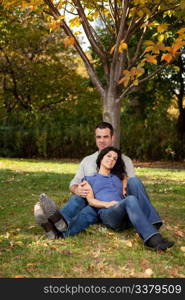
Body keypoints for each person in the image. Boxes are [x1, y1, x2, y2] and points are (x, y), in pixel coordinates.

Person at [34, 122, 163, 239]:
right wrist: (77, 189)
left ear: (112, 138)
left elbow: (130, 182)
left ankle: (53, 226)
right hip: (90, 203)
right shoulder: (87, 160)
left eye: (105, 137)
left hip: (114, 208)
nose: (102, 141)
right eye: (98, 137)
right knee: (78, 199)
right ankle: (58, 223)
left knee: (131, 183)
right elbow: (73, 184)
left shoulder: (124, 160)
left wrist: (123, 186)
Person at [35, 146, 174, 251]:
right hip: (109, 213)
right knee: (128, 200)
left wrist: (125, 185)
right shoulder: (89, 179)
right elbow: (91, 201)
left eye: (115, 158)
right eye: (108, 156)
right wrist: (108, 204)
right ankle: (153, 240)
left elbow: (127, 179)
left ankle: (54, 229)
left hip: (126, 213)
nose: (112, 160)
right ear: (101, 158)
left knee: (133, 189)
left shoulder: (118, 177)